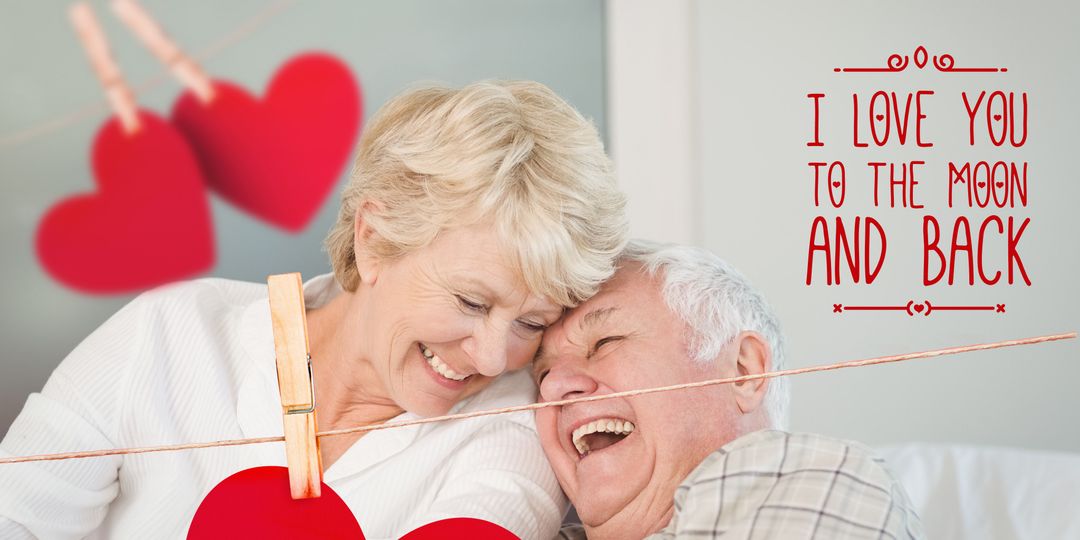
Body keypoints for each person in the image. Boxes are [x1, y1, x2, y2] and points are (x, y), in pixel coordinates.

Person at [0, 80, 627, 539]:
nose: (495, 355)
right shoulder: (169, 332)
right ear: (374, 238)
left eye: (531, 323)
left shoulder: (515, 424)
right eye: (471, 301)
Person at [534, 240, 925, 539]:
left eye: (605, 342)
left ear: (743, 370)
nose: (553, 387)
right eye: (542, 374)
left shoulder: (825, 479)